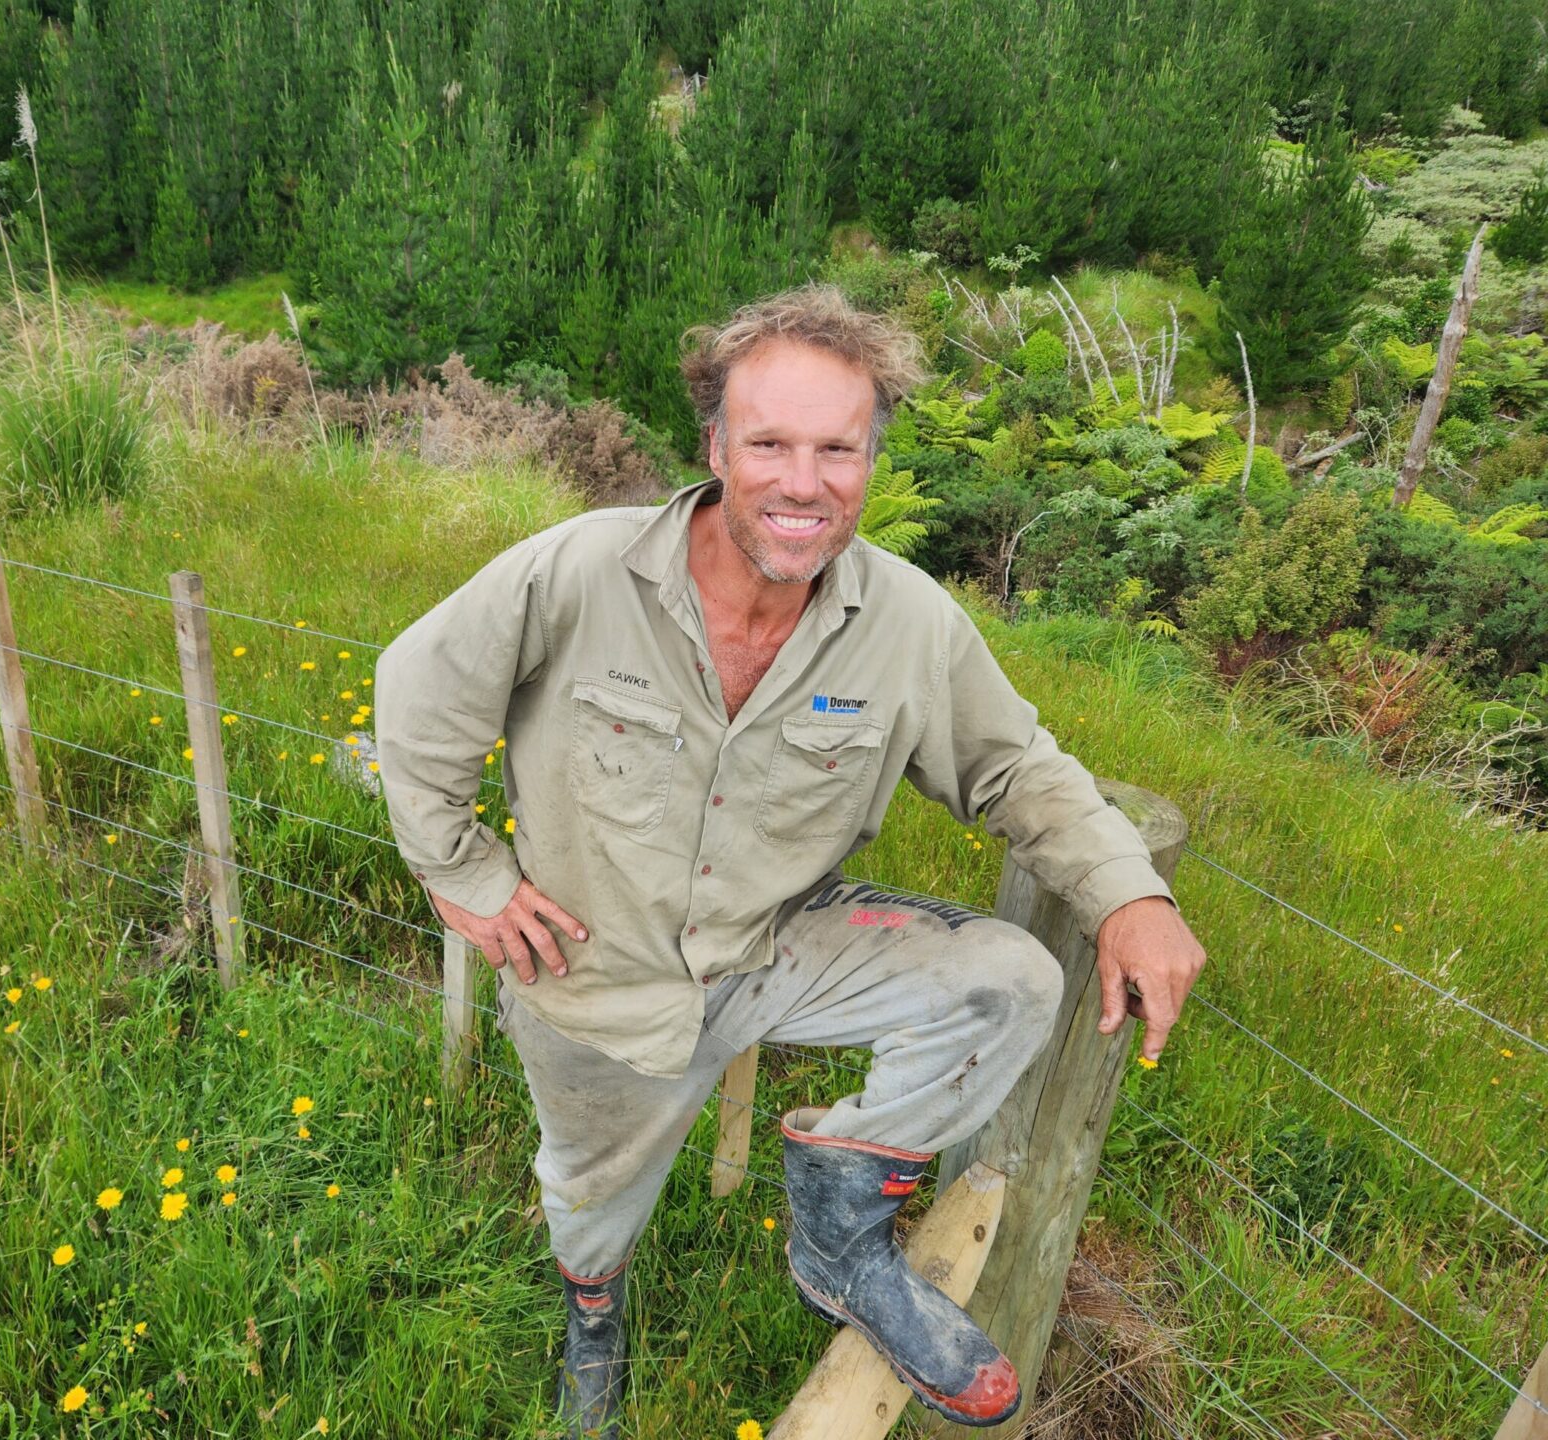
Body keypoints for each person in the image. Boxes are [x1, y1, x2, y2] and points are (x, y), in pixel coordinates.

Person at [372, 285, 1208, 1435]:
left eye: (838, 449)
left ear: (871, 459)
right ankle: (594, 1310)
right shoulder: (575, 573)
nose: (803, 483)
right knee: (592, 1205)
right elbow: (414, 702)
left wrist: (1129, 894)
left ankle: (837, 1238)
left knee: (1011, 982)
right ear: (714, 446)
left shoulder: (909, 625)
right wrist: (465, 878)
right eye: (769, 443)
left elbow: (1015, 767)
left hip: (776, 951)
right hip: (593, 983)